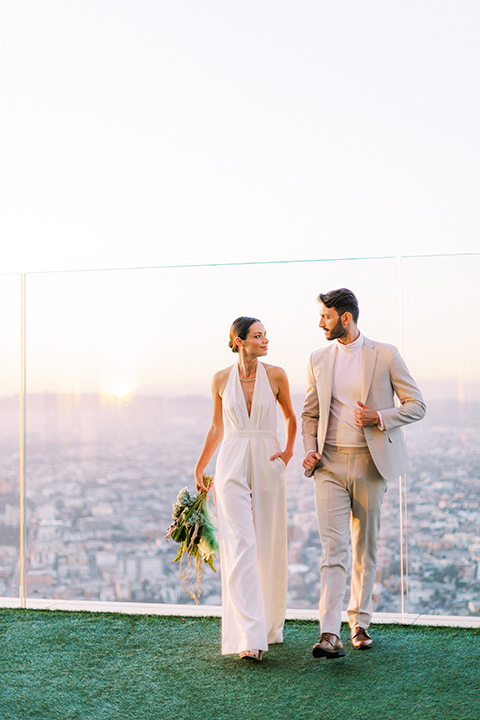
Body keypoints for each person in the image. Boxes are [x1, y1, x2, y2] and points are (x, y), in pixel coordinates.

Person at [302, 288, 426, 659]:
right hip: (329, 465)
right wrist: (310, 450)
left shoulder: (385, 354)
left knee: (364, 548)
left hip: (372, 464)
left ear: (345, 317)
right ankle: (329, 632)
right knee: (333, 549)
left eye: (325, 316)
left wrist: (380, 418)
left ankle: (360, 623)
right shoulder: (318, 359)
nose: (319, 323)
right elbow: (310, 414)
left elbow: (417, 404)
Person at [195, 316, 296, 661]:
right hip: (232, 461)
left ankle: (268, 625)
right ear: (239, 340)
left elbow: (291, 417)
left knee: (267, 545)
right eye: (257, 335)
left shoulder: (277, 375)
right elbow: (216, 426)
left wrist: (288, 452)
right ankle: (248, 638)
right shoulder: (221, 379)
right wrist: (200, 465)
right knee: (240, 545)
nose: (265, 340)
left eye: (266, 334)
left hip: (268, 460)